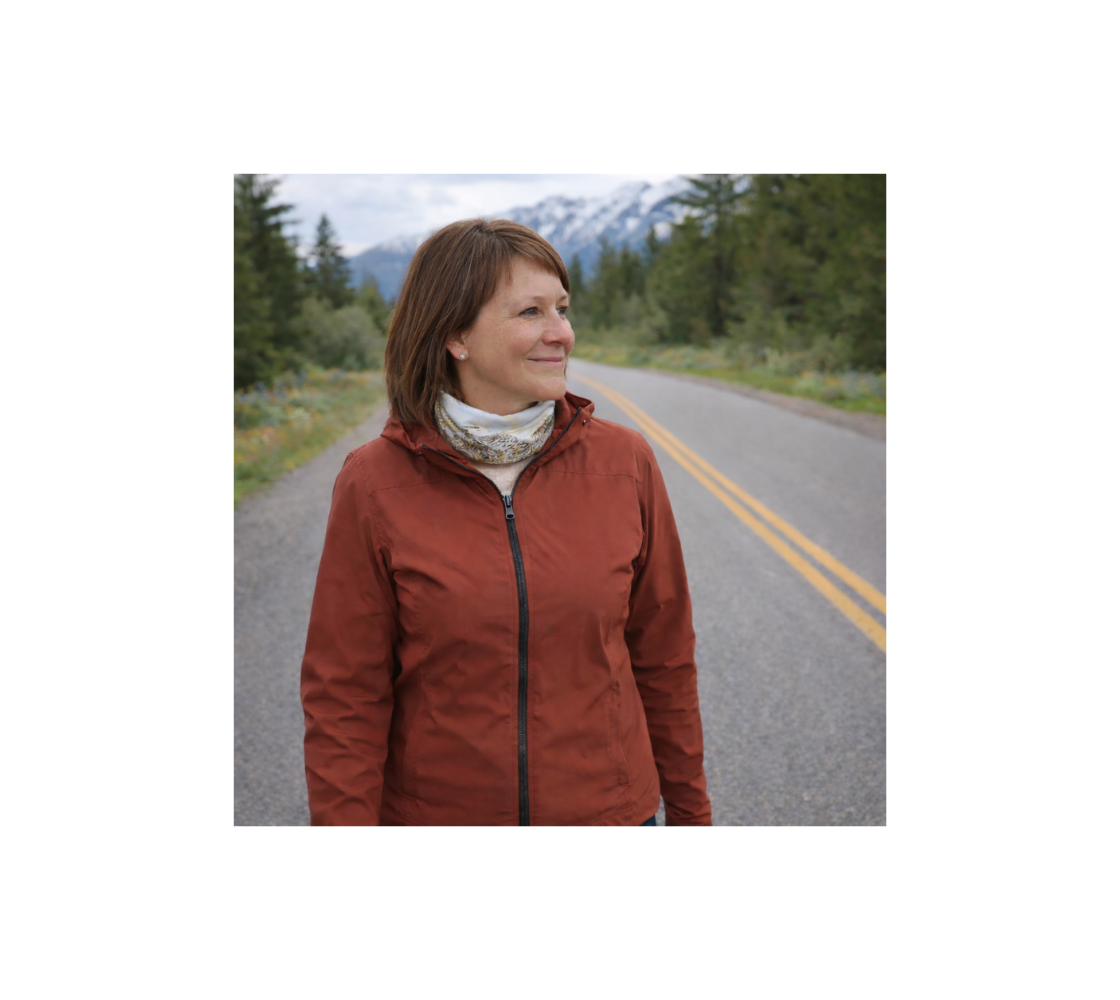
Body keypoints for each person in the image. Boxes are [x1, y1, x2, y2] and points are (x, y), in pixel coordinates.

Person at [301, 218, 711, 827]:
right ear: (455, 336)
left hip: (609, 812)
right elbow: (345, 696)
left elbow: (665, 657)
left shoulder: (625, 463)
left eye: (563, 309)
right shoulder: (373, 482)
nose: (562, 334)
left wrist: (690, 812)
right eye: (530, 313)